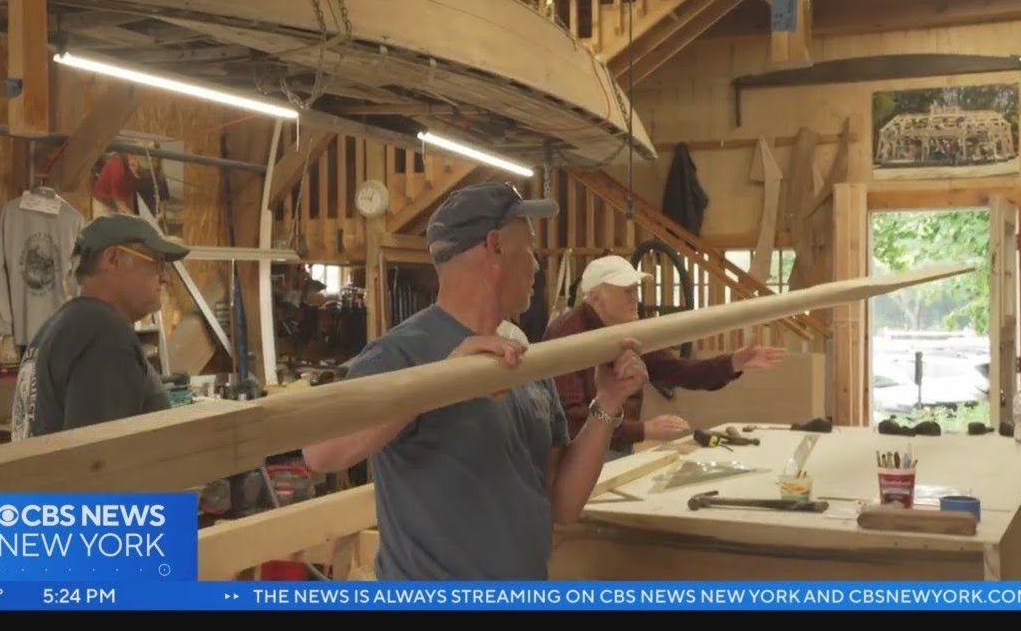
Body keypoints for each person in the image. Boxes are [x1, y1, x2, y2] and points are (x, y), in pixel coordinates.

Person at [301, 182, 650, 581]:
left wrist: (607, 401)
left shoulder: (526, 358)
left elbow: (562, 506)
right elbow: (320, 452)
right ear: (496, 246)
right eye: (529, 248)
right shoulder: (401, 354)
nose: (536, 265)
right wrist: (443, 382)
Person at [544, 254, 787, 459]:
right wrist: (642, 430)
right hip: (575, 453)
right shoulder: (566, 335)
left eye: (635, 290)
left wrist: (733, 362)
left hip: (616, 444)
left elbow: (677, 370)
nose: (635, 299)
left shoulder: (628, 330)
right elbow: (570, 419)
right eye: (626, 291)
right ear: (596, 297)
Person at [11, 214, 189, 440]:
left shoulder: (58, 325)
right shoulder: (104, 333)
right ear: (113, 258)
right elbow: (99, 461)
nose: (165, 278)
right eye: (157, 263)